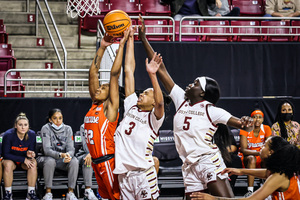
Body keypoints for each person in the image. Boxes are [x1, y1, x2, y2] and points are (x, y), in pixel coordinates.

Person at [138, 15, 254, 199]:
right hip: (189, 166)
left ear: (202, 93)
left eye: (195, 84)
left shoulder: (211, 110)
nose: (190, 85)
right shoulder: (181, 100)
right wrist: (143, 38)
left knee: (225, 199)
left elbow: (242, 125)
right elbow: (160, 69)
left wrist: (247, 122)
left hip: (208, 161)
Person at [113, 26, 164, 200]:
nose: (141, 93)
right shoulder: (132, 106)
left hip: (143, 174)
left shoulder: (154, 118)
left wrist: (153, 76)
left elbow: (160, 102)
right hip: (124, 175)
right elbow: (128, 71)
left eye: (147, 93)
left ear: (153, 101)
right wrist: (130, 40)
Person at [84, 29, 130, 200]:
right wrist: (102, 47)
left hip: (107, 161)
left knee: (116, 198)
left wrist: (121, 45)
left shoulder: (110, 107)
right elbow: (92, 74)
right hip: (97, 163)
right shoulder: (95, 104)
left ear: (111, 93)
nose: (98, 88)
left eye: (103, 88)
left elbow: (114, 74)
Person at [190, 136, 300, 200]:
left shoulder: (278, 177)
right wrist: (241, 171)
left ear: (271, 152)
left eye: (264, 145)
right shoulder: (282, 170)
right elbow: (266, 172)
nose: (261, 148)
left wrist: (213, 198)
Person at [39, 108, 79, 200]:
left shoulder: (68, 129)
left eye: (60, 118)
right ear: (50, 119)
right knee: (50, 161)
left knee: (74, 161)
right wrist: (61, 155)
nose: (58, 121)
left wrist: (68, 155)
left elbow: (71, 148)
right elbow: (47, 150)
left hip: (62, 160)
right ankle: (48, 193)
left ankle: (70, 192)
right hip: (46, 159)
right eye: (55, 118)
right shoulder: (45, 128)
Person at [2, 113, 39, 200]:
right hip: (11, 161)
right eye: (20, 125)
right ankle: (8, 193)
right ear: (15, 126)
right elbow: (5, 154)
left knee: (33, 163)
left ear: (28, 126)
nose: (23, 127)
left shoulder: (32, 134)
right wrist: (22, 159)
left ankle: (31, 193)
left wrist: (31, 154)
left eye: (25, 125)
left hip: (24, 161)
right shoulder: (8, 135)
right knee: (7, 164)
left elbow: (32, 152)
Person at [239, 110, 271, 197]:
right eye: (254, 117)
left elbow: (269, 147)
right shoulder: (245, 128)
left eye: (259, 117)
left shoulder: (267, 128)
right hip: (247, 157)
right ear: (251, 119)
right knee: (252, 159)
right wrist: (259, 152)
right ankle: (250, 191)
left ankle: (267, 190)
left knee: (268, 158)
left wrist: (262, 154)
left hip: (260, 156)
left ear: (263, 119)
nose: (257, 119)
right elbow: (243, 150)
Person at [213, 124, 243, 189]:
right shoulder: (205, 128)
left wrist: (222, 151)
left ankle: (230, 187)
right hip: (209, 155)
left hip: (224, 154)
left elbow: (233, 147)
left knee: (236, 160)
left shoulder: (224, 129)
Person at [75, 124, 98, 200]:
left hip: (100, 155)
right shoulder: (83, 126)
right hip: (84, 154)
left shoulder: (105, 124)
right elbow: (85, 146)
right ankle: (88, 190)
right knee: (88, 160)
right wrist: (91, 154)